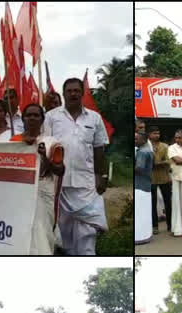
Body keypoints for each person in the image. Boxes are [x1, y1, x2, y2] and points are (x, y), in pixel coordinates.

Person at [43, 78, 109, 255]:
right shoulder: (51, 117)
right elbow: (45, 146)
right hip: (59, 183)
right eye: (69, 91)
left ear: (82, 93)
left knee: (87, 231)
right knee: (63, 232)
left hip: (86, 183)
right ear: (64, 94)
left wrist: (100, 176)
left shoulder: (94, 118)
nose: (73, 94)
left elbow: (99, 148)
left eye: (76, 90)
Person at [10, 103, 65, 255]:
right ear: (23, 119)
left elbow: (60, 170)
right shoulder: (13, 142)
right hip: (19, 196)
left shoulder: (52, 143)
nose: (32, 118)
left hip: (43, 194)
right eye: (29, 115)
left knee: (42, 234)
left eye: (36, 115)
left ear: (42, 119)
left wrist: (43, 157)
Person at [148, 126, 171, 235]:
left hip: (164, 178)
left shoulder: (165, 146)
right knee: (152, 203)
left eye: (158, 133)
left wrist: (159, 164)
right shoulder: (146, 146)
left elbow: (169, 161)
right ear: (149, 135)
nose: (157, 135)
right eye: (154, 133)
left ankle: (170, 225)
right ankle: (154, 226)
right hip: (151, 178)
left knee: (168, 202)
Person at [134, 131, 154, 245]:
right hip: (146, 185)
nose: (135, 141)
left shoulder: (142, 152)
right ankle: (146, 234)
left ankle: (139, 237)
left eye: (137, 139)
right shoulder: (149, 150)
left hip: (139, 186)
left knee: (140, 213)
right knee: (145, 213)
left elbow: (139, 169)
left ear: (144, 140)